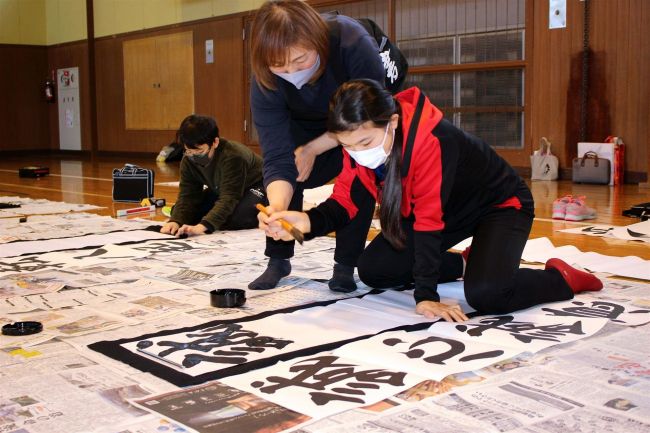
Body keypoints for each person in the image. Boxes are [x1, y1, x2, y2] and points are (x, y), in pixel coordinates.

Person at [259, 79, 603, 321]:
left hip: (498, 206)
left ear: (392, 122)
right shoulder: (359, 148)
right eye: (347, 145)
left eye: (365, 143)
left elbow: (427, 223)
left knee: (488, 295)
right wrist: (306, 222)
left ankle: (561, 278)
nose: (357, 153)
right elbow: (346, 201)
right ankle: (469, 262)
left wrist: (426, 297)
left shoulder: (431, 141)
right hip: (447, 208)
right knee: (375, 270)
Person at [248, 0, 389, 292]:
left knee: (359, 174)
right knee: (290, 169)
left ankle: (345, 265)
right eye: (279, 65)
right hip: (303, 123)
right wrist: (276, 210)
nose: (290, 71)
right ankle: (278, 259)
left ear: (317, 41)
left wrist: (316, 148)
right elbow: (276, 153)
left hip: (359, 118)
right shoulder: (264, 79)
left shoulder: (350, 42)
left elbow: (367, 116)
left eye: (300, 60)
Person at [160, 114, 266, 237]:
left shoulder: (233, 156)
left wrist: (202, 227)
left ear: (215, 142)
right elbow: (188, 196)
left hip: (257, 186)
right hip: (221, 189)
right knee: (183, 212)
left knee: (238, 217)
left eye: (199, 152)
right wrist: (175, 221)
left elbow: (229, 197)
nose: (194, 156)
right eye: (189, 151)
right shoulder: (188, 160)